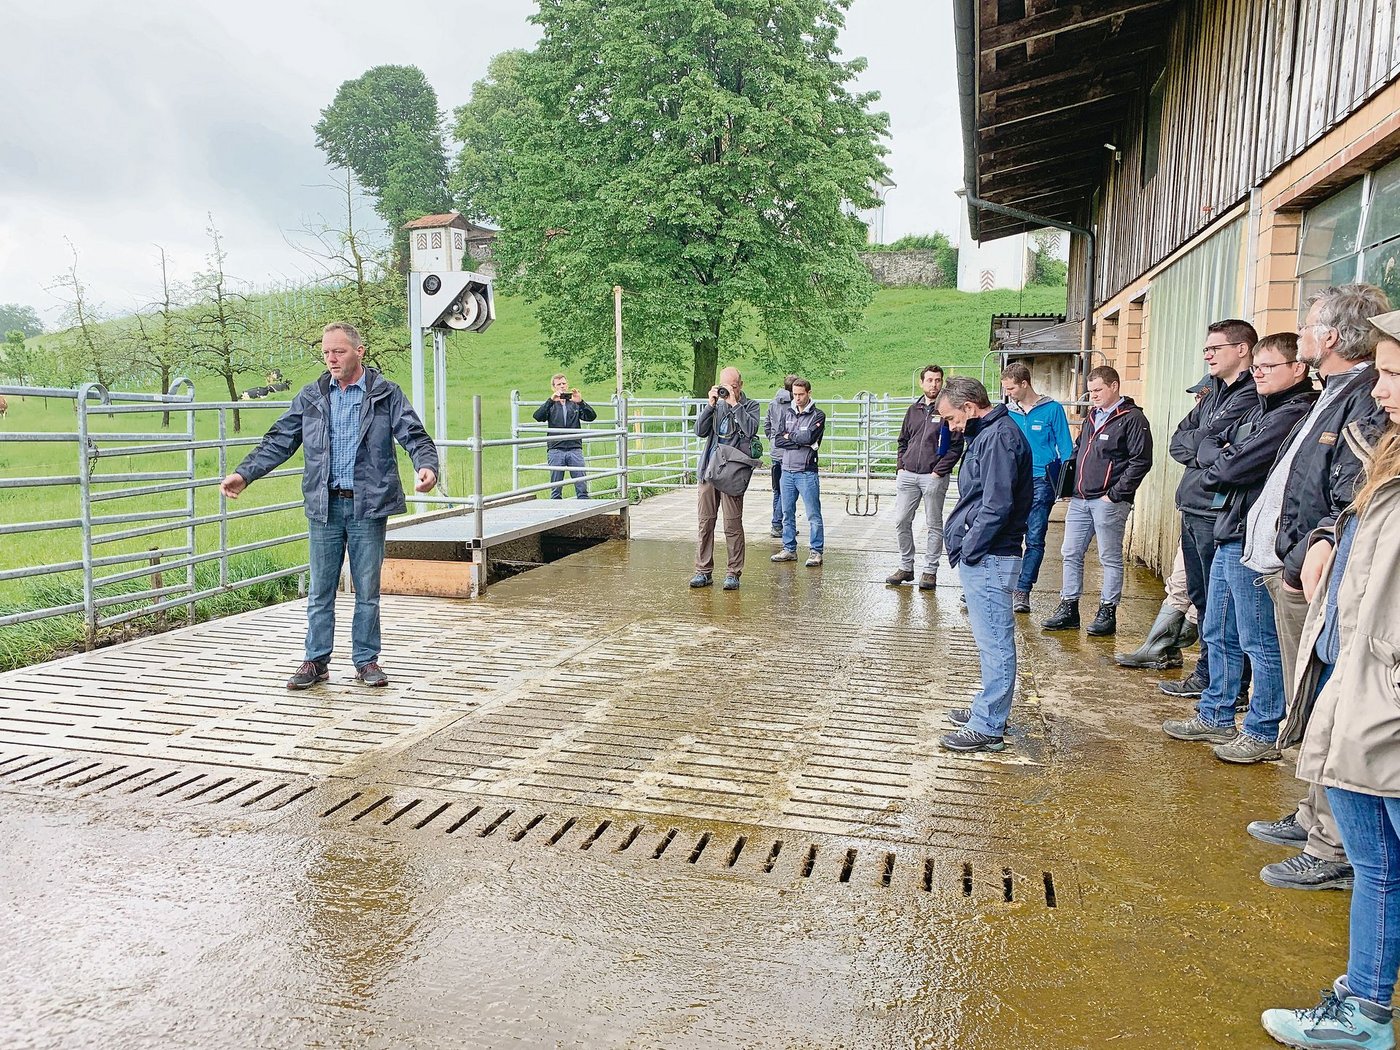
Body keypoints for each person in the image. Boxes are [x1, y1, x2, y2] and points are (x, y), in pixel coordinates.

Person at [1260, 308, 1400, 1050]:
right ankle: (1366, 1010)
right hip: (1356, 685)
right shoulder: (1388, 457)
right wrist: (1320, 535)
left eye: (1396, 375)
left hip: (1387, 699)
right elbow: (1347, 522)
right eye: (1381, 372)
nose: (1382, 390)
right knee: (1376, 863)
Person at [1245, 283, 1391, 893]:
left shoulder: (1361, 399)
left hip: (1322, 575)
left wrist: (1316, 542)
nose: (1300, 334)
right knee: (1316, 694)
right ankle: (1312, 816)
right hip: (1302, 564)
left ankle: (1332, 844)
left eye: (1306, 326)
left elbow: (1351, 490)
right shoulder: (1332, 393)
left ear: (1330, 337)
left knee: (1334, 700)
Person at [220, 322, 439, 690]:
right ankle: (315, 661)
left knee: (366, 590)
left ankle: (366, 661)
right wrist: (245, 474)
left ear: (359, 351)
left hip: (368, 506)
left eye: (338, 351)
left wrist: (426, 465)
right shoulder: (312, 396)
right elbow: (279, 440)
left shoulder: (385, 394)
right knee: (321, 589)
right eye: (326, 352)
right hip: (325, 506)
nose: (331, 359)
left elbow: (413, 434)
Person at [1162, 332, 1318, 761]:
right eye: (1257, 367)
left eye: (1268, 367)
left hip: (1255, 535)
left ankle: (1263, 730)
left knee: (1258, 639)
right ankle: (1215, 713)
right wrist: (1222, 453)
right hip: (1232, 528)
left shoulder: (1291, 412)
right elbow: (1200, 443)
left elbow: (1232, 466)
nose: (1258, 374)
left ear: (1298, 368)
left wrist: (1222, 456)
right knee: (1217, 627)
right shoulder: (1260, 406)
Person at [1158, 320, 1259, 697]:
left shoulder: (1250, 395)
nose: (1207, 355)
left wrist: (1203, 445)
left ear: (1242, 349)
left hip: (1218, 510)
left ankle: (1227, 684)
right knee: (1201, 599)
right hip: (1193, 504)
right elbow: (1182, 440)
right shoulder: (1213, 390)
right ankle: (1207, 672)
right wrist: (1203, 446)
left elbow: (1210, 445)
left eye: (1215, 348)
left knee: (1222, 606)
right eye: (1206, 349)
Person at [935, 377, 1033, 754]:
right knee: (990, 640)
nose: (951, 426)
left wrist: (970, 547)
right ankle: (988, 709)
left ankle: (989, 724)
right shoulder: (991, 434)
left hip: (992, 555)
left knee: (995, 643)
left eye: (951, 418)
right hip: (988, 554)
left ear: (970, 408)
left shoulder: (997, 438)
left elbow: (997, 504)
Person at [1041, 365, 1153, 637]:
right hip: (1080, 499)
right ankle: (1069, 607)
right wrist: (1068, 483)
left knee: (1109, 557)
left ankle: (1107, 611)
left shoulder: (1132, 418)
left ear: (1114, 386)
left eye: (1098, 390)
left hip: (1108, 502)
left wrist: (1114, 494)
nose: (1094, 396)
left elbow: (1141, 461)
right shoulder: (1093, 416)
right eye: (1090, 391)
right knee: (1070, 553)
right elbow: (1080, 450)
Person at [1001, 362, 1073, 613]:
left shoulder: (1052, 409)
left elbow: (1065, 449)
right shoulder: (1008, 412)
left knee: (1034, 537)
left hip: (1042, 481)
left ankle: (1022, 589)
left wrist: (1065, 486)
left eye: (1011, 388)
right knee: (1006, 535)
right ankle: (1000, 586)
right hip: (1013, 481)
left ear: (1024, 384)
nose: (1008, 393)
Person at [886, 365, 963, 590]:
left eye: (938, 380)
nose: (934, 385)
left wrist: (939, 471)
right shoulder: (913, 410)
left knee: (933, 524)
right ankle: (906, 565)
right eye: (929, 380)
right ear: (922, 382)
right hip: (908, 474)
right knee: (901, 520)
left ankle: (930, 570)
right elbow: (903, 440)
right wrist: (901, 465)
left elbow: (956, 447)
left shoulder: (947, 410)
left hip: (933, 475)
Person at [690, 366, 761, 591]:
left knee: (732, 525)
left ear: (740, 385)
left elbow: (750, 430)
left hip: (732, 473)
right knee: (705, 522)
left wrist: (734, 404)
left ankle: (733, 572)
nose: (727, 390)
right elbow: (699, 431)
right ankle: (703, 571)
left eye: (732, 386)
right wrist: (710, 405)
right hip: (709, 471)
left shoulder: (750, 406)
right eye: (723, 386)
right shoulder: (716, 404)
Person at [770, 377, 826, 568]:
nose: (798, 398)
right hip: (786, 470)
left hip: (806, 471)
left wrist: (791, 437)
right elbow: (778, 439)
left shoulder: (818, 415)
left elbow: (809, 436)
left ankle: (816, 550)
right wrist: (798, 440)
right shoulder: (787, 413)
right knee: (787, 512)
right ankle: (789, 548)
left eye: (801, 394)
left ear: (809, 393)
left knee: (813, 514)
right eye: (795, 394)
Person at [1115, 544, 1200, 669]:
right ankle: (1164, 650)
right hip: (1194, 527)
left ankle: (1167, 648)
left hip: (1217, 532)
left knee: (1204, 593)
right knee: (1178, 586)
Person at [532, 373, 597, 499]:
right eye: (558, 384)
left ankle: (584, 514)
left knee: (581, 486)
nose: (562, 386)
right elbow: (538, 417)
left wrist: (581, 402)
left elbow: (591, 417)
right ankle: (557, 514)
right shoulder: (551, 405)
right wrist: (550, 401)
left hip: (574, 448)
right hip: (556, 449)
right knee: (556, 489)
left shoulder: (574, 403)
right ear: (553, 387)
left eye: (564, 383)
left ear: (567, 385)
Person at [764, 375, 797, 538]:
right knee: (787, 489)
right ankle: (778, 523)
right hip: (789, 451)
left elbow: (767, 425)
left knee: (777, 489)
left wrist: (772, 439)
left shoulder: (773, 402)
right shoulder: (793, 404)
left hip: (775, 450)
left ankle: (781, 524)